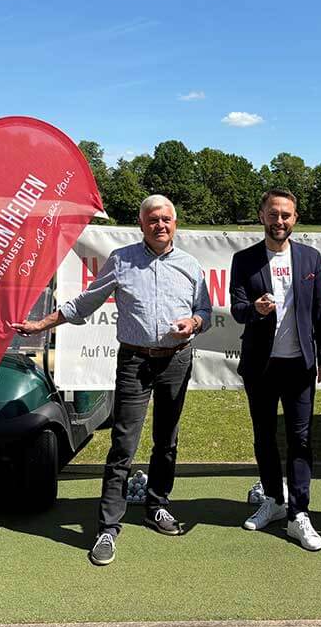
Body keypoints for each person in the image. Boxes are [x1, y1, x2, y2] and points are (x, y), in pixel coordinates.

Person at [12, 194, 211, 566]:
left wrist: (195, 323)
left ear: (175, 223)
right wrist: (41, 323)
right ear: (142, 224)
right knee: (123, 445)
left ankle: (157, 506)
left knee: (167, 441)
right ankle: (107, 527)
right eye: (153, 219)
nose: (160, 225)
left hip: (177, 360)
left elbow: (205, 310)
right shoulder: (122, 260)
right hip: (135, 361)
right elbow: (84, 302)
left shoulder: (190, 265)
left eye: (166, 219)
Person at [230, 189, 321, 551]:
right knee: (264, 436)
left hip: (300, 365)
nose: (279, 221)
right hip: (260, 365)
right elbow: (237, 309)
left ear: (295, 218)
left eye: (286, 215)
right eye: (273, 214)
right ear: (261, 215)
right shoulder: (244, 260)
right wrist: (254, 309)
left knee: (301, 439)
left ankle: (298, 513)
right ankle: (273, 499)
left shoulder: (310, 258)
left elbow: (320, 310)